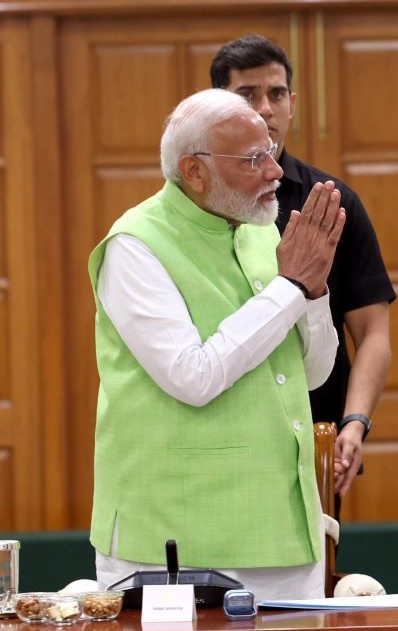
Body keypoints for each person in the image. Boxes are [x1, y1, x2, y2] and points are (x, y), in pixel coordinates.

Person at [89, 88, 345, 600]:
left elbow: (313, 375)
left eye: (270, 151)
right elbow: (193, 377)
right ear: (195, 171)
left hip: (284, 529)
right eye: (253, 160)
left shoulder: (261, 231)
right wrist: (290, 288)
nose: (275, 171)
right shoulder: (135, 245)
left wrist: (314, 294)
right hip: (174, 534)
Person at [211, 35, 395, 499]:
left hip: (314, 437)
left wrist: (355, 422)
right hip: (219, 438)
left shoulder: (332, 202)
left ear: (292, 103)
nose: (265, 109)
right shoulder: (200, 205)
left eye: (276, 94)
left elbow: (372, 331)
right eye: (247, 95)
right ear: (218, 106)